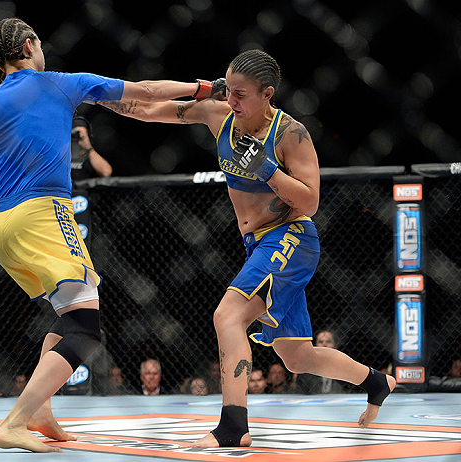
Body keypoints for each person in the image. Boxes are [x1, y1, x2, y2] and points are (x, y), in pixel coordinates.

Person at [98, 48, 396, 448]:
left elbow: (309, 203)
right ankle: (377, 381)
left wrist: (267, 169)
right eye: (228, 89)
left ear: (267, 94)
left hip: (291, 237)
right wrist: (95, 94)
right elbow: (150, 111)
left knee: (228, 316)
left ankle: (233, 427)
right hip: (257, 244)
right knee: (297, 357)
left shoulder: (291, 135)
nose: (230, 100)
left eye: (240, 94)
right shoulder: (219, 115)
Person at [0, 17, 206, 454]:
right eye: (39, 43)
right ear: (28, 45)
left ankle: (40, 410)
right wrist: (200, 89)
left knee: (67, 317)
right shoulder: (58, 83)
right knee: (86, 328)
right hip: (44, 213)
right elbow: (148, 91)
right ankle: (15, 422)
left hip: (2, 225)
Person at [295, 330, 352, 394]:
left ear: (335, 346)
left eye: (328, 341)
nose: (324, 345)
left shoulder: (345, 369)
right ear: (315, 346)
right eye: (320, 342)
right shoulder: (305, 371)